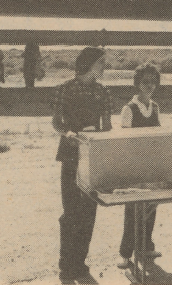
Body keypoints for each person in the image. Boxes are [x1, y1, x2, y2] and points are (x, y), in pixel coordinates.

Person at [51, 47, 113, 283]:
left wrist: (100, 138)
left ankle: (80, 262)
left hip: (92, 155)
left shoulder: (103, 91)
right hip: (69, 153)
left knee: (89, 212)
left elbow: (107, 126)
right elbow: (56, 122)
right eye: (100, 63)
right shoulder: (64, 89)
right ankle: (66, 264)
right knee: (70, 211)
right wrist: (67, 134)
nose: (103, 67)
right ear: (88, 64)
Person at [117, 64, 164, 269]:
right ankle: (126, 255)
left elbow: (159, 135)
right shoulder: (129, 109)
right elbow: (124, 141)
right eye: (145, 82)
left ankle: (145, 247)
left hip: (151, 165)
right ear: (137, 83)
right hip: (134, 166)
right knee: (132, 211)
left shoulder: (155, 107)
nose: (150, 86)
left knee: (151, 207)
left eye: (153, 81)